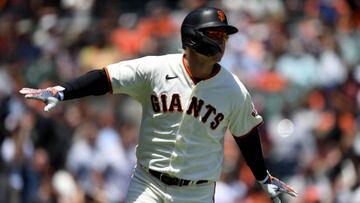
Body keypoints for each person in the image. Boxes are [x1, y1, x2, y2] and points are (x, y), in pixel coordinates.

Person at [20, 7, 297, 203]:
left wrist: (263, 176)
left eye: (224, 36)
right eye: (215, 34)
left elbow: (246, 135)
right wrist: (61, 91)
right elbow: (106, 78)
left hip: (196, 192)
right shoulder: (156, 68)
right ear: (193, 36)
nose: (222, 41)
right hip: (148, 183)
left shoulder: (234, 89)